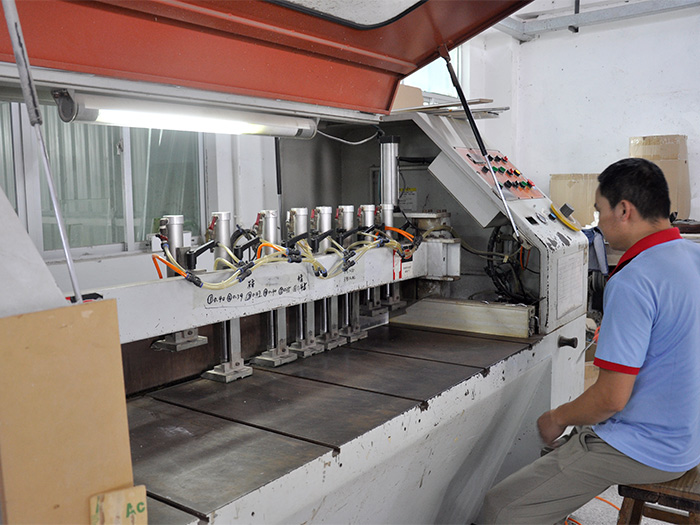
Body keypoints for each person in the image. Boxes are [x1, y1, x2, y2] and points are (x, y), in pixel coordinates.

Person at [477, 157, 700, 524]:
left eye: (599, 211)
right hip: (687, 436)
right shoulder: (692, 255)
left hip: (648, 447)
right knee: (563, 449)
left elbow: (610, 399)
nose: (598, 223)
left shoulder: (634, 281)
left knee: (501, 509)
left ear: (624, 210)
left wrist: (556, 417)